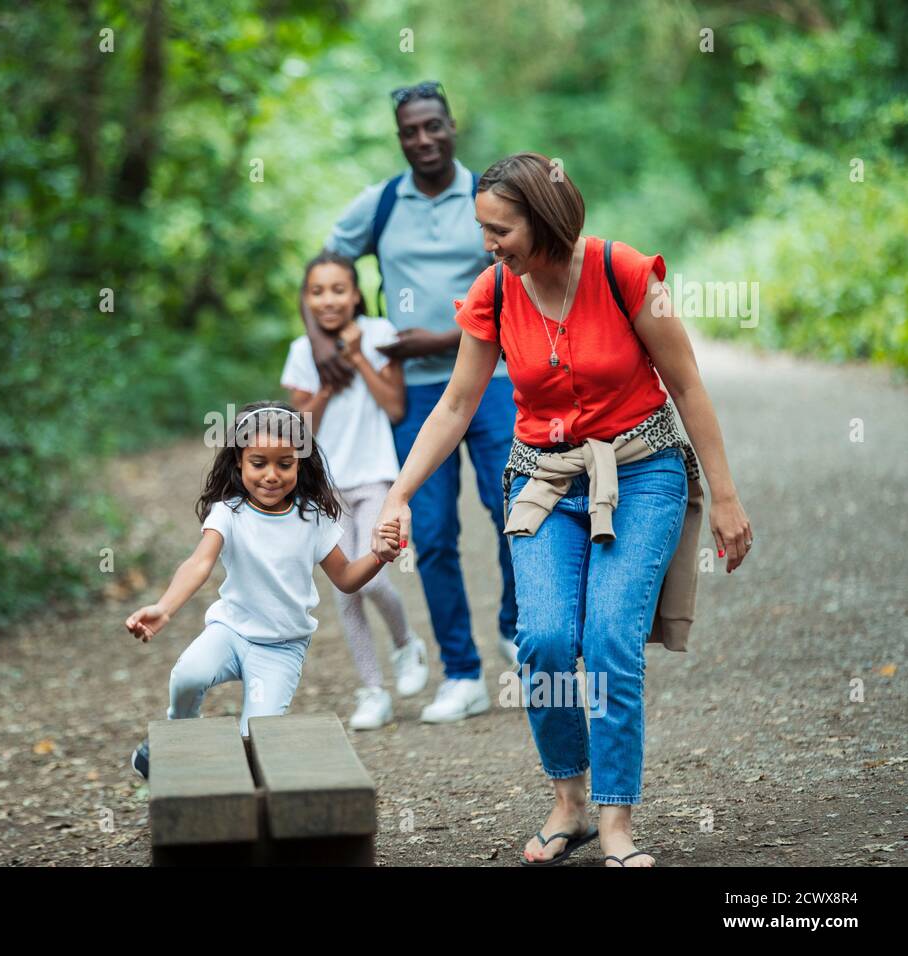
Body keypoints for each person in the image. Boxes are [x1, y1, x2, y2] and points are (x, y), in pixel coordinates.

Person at [370, 152, 753, 867]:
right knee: (543, 639)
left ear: (544, 220)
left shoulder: (630, 273)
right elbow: (455, 404)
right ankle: (569, 802)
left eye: (500, 230)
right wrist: (398, 493)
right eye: (482, 230)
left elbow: (689, 386)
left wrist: (726, 497)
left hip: (641, 474)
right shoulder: (493, 292)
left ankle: (615, 820)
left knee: (609, 639)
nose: (488, 245)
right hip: (543, 481)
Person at [309, 80, 518, 724]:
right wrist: (323, 340)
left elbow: (522, 277)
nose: (423, 139)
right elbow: (324, 265)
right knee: (427, 533)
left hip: (493, 380)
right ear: (399, 137)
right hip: (417, 395)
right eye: (410, 131)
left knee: (514, 507)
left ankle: (519, 631)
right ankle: (461, 673)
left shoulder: (487, 196)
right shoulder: (380, 206)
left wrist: (448, 335)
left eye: (433, 126)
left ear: (452, 126)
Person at [125, 401, 402, 778]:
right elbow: (199, 563)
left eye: (284, 464)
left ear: (300, 464)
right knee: (188, 675)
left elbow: (346, 578)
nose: (271, 475)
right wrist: (165, 607)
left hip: (281, 647)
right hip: (231, 631)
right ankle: (174, 736)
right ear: (239, 462)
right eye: (259, 463)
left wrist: (379, 555)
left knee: (256, 741)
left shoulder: (312, 519)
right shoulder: (228, 511)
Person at [280, 251, 426, 731]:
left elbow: (396, 407)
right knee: (344, 593)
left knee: (375, 577)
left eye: (338, 289)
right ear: (306, 299)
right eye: (317, 291)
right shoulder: (303, 351)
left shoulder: (381, 333)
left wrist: (359, 355)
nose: (329, 300)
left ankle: (406, 643)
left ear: (356, 293)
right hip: (324, 488)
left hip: (375, 478)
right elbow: (300, 431)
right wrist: (326, 381)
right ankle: (372, 691)